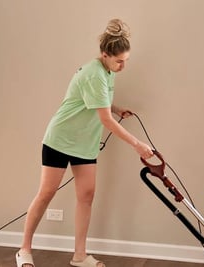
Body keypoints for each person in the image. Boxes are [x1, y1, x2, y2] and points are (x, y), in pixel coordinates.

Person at [16, 18, 154, 267]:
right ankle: (24, 250)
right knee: (46, 193)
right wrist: (137, 144)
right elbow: (105, 121)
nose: (123, 66)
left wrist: (116, 107)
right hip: (60, 139)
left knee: (86, 195)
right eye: (119, 61)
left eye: (126, 61)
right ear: (104, 55)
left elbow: (95, 101)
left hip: (84, 143)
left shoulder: (106, 71)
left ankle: (79, 255)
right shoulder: (94, 74)